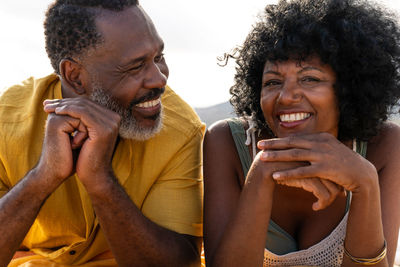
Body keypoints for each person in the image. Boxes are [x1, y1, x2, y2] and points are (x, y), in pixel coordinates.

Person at [0, 0, 204, 266]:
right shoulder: (7, 121)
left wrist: (102, 183)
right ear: (74, 76)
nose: (159, 80)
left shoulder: (181, 131)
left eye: (159, 58)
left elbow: (182, 262)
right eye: (135, 66)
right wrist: (42, 177)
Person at [203, 0, 400, 266]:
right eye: (272, 82)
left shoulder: (384, 146)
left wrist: (365, 184)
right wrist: (262, 173)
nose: (285, 97)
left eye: (310, 79)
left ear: (348, 87)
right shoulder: (227, 143)